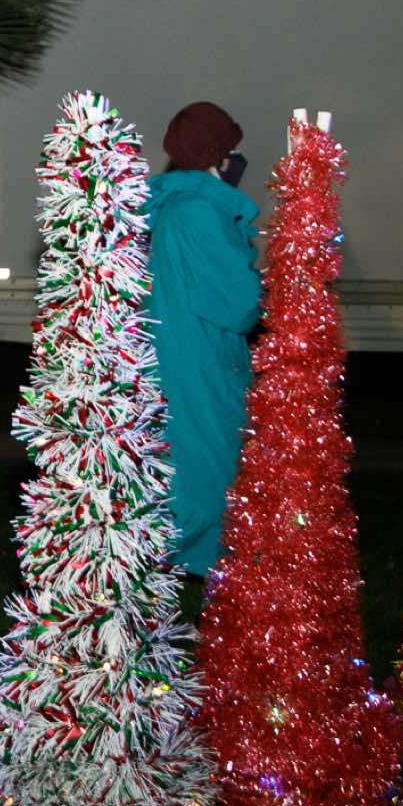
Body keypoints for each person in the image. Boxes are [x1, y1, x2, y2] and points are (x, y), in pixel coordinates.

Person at [144, 100, 262, 576]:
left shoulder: (171, 204)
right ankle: (195, 568)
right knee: (209, 469)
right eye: (230, 149)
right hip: (199, 358)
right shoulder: (200, 212)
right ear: (217, 153)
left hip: (174, 350)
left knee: (184, 463)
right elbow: (239, 302)